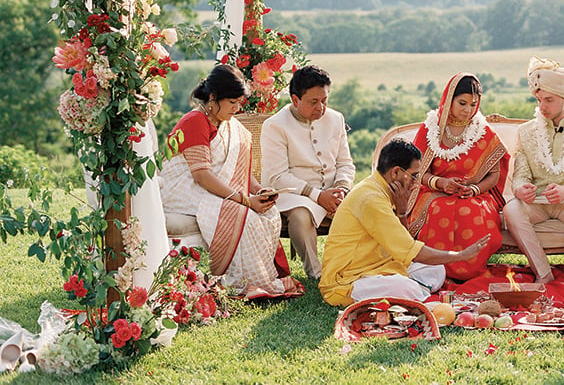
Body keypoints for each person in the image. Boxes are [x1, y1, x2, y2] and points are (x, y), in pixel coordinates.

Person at [159, 64, 302, 298]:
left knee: (268, 213)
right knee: (244, 215)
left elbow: (240, 172)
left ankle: (265, 279)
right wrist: (246, 201)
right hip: (185, 187)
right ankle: (241, 283)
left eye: (239, 103)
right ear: (213, 98)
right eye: (232, 103)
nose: (236, 109)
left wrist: (258, 190)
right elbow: (201, 175)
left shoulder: (229, 125)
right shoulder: (195, 121)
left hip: (209, 186)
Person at [319, 139, 489, 306]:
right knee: (405, 287)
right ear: (395, 173)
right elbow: (413, 252)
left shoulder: (383, 188)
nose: (416, 183)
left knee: (437, 269)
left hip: (380, 267)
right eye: (414, 176)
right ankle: (415, 294)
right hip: (347, 280)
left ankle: (412, 292)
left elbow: (404, 244)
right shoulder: (371, 199)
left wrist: (401, 211)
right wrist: (460, 256)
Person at [503, 57, 564, 285]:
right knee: (512, 209)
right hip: (536, 202)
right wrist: (520, 190)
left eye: (548, 100)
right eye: (539, 100)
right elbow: (519, 176)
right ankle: (543, 275)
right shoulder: (526, 132)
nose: (542, 107)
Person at [405, 73, 509, 280]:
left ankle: (468, 273)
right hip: (434, 192)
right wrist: (440, 182)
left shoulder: (482, 131)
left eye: (473, 104)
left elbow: (494, 175)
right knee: (438, 209)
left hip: (474, 195)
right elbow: (416, 171)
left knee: (470, 210)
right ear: (449, 98)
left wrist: (474, 189)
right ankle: (434, 272)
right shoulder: (430, 129)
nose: (467, 110)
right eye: (462, 103)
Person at [261, 65, 354, 279]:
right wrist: (318, 196)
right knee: (301, 216)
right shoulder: (274, 125)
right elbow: (276, 177)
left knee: (367, 205)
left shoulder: (335, 119)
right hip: (294, 196)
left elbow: (345, 163)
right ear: (295, 100)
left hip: (333, 192)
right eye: (313, 102)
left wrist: (341, 189)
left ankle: (355, 266)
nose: (320, 108)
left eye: (324, 100)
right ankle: (317, 273)